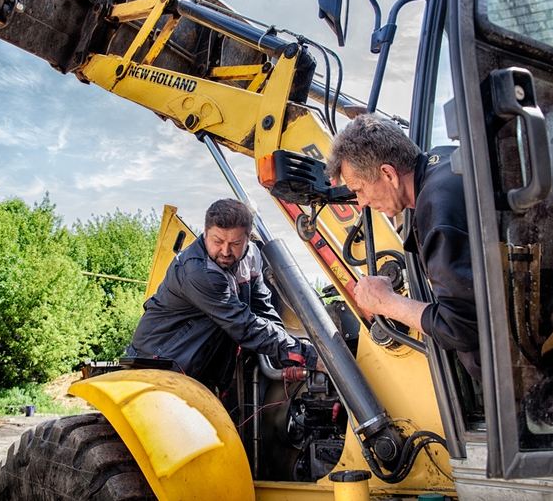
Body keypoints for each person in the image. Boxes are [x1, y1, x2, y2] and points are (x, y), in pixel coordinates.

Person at [326, 114, 481, 380]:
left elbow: (461, 327)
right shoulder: (445, 165)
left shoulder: (437, 206)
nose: (360, 203)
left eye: (360, 189)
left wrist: (387, 303)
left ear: (388, 173)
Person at [127, 198, 319, 391]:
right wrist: (309, 357)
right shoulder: (199, 271)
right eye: (217, 241)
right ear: (205, 231)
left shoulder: (251, 256)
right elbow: (244, 325)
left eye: (235, 243)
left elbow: (262, 309)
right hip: (159, 364)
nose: (225, 251)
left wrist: (287, 353)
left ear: (248, 238)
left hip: (199, 364)